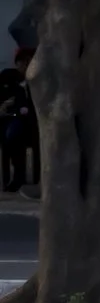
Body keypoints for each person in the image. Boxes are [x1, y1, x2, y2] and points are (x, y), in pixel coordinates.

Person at [0, 53, 35, 198]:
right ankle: (15, 178)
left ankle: (16, 178)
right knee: (12, 138)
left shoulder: (28, 84)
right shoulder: (11, 81)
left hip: (22, 121)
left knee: (14, 138)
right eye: (22, 63)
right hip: (12, 120)